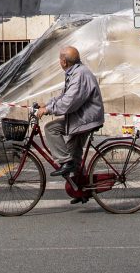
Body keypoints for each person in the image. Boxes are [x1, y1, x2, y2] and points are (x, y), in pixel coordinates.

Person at [37, 46, 104, 194]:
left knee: (51, 129)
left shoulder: (79, 74)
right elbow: (64, 95)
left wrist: (48, 110)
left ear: (64, 62)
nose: (59, 61)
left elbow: (69, 102)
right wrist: (47, 104)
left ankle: (67, 164)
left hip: (85, 120)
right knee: (73, 154)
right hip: (80, 118)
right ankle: (81, 190)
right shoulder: (75, 72)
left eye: (60, 59)